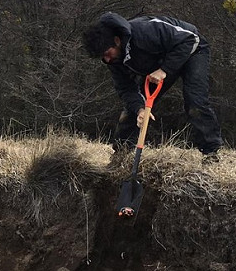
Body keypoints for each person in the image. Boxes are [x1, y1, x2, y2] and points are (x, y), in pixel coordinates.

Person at [82, 12, 223, 162]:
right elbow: (126, 89)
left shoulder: (145, 30)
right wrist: (140, 109)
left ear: (116, 41)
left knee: (195, 101)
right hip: (161, 64)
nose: (106, 59)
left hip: (192, 50)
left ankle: (210, 153)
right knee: (133, 110)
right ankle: (121, 154)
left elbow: (190, 38)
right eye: (102, 57)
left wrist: (165, 70)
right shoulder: (114, 61)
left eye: (106, 53)